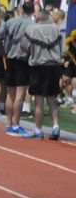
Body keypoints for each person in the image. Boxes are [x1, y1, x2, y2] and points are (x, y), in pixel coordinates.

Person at [0, 1, 35, 135]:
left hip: (10, 59)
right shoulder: (32, 24)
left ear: (22, 10)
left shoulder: (10, 22)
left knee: (10, 93)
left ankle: (9, 124)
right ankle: (16, 125)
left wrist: (2, 51)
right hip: (23, 60)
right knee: (20, 94)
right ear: (33, 11)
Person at [18, 9, 63, 140]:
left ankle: (38, 129)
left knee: (39, 101)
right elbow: (61, 47)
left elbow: (23, 47)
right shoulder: (56, 29)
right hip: (54, 66)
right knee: (52, 99)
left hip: (39, 67)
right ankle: (56, 126)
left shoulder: (31, 30)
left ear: (37, 17)